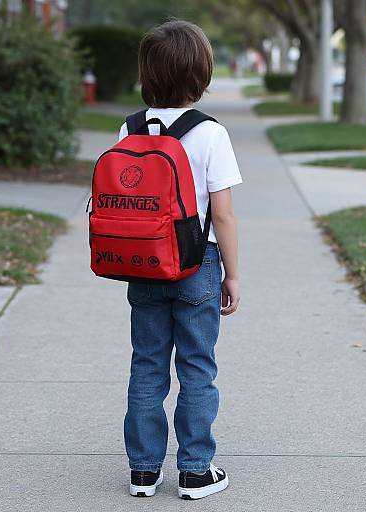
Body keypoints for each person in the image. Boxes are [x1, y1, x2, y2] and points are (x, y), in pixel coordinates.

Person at [117, 19, 242, 500]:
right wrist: (233, 274)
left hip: (143, 263)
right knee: (197, 368)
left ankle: (144, 471)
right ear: (202, 71)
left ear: (147, 72)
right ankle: (194, 470)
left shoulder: (129, 127)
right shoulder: (210, 134)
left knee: (146, 365)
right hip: (197, 265)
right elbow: (224, 215)